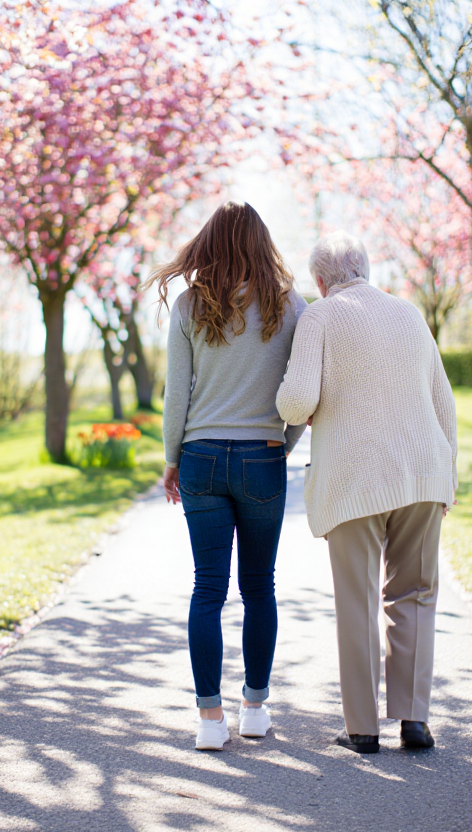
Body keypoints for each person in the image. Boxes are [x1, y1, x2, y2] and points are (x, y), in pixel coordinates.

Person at [276, 231, 457, 754]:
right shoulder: (409, 313)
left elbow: (295, 403)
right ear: (367, 270)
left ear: (320, 280)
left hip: (356, 479)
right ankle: (415, 721)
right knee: (416, 596)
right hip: (424, 472)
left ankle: (362, 730)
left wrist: (304, 403)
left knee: (357, 602)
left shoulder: (319, 317)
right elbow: (442, 400)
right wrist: (448, 477)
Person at [148, 201, 307, 751]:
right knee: (259, 587)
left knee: (207, 589)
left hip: (201, 458)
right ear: (262, 242)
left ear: (208, 242)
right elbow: (303, 394)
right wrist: (281, 446)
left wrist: (172, 458)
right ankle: (256, 708)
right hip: (263, 455)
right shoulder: (292, 306)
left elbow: (177, 394)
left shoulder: (190, 305)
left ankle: (210, 721)